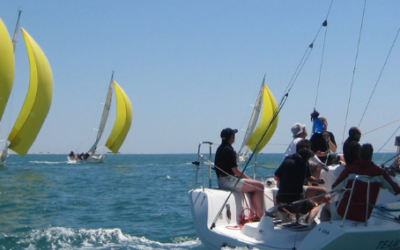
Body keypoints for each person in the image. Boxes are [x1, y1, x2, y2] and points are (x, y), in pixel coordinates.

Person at [323, 143, 400, 222]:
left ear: (360, 155)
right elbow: (396, 190)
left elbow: (335, 188)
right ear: (371, 155)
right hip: (364, 216)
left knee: (325, 208)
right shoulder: (380, 173)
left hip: (344, 212)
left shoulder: (350, 170)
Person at [275, 139, 331, 224]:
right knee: (315, 206)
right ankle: (309, 221)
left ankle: (302, 214)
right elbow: (308, 178)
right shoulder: (304, 164)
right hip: (295, 202)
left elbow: (276, 177)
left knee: (322, 191)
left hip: (281, 198)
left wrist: (317, 180)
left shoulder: (287, 161)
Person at [214, 128, 265, 219]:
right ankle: (261, 217)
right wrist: (250, 179)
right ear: (231, 138)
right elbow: (236, 171)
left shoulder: (220, 149)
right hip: (228, 181)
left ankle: (255, 215)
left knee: (254, 185)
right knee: (259, 186)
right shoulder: (229, 150)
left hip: (222, 180)